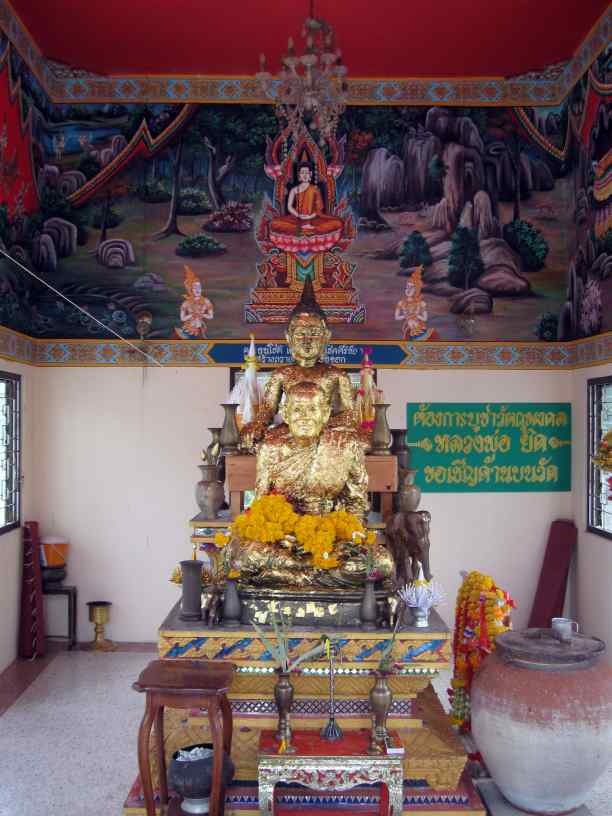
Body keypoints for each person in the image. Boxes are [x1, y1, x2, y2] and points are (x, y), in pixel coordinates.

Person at [234, 381, 394, 588]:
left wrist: (343, 540)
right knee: (240, 555)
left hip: (330, 536)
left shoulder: (345, 447)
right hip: (284, 541)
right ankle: (316, 573)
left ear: (326, 413)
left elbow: (356, 503)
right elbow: (260, 504)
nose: (305, 417)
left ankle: (289, 577)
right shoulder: (270, 449)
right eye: (297, 410)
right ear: (285, 413)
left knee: (382, 562)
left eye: (312, 409)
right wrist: (283, 536)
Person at [239, 277, 355, 451]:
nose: (307, 340)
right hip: (292, 431)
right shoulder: (282, 374)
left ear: (326, 337)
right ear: (289, 337)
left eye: (314, 333)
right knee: (265, 442)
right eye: (301, 333)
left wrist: (317, 423)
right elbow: (268, 410)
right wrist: (258, 424)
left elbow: (350, 415)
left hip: (325, 432)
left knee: (355, 442)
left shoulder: (337, 375)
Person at [270, 163, 343, 237]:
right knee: (274, 223)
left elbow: (319, 209)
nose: (304, 175)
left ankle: (302, 230)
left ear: (310, 174)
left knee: (337, 223)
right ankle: (308, 230)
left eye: (306, 173)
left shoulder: (315, 189)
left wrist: (309, 217)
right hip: (296, 218)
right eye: (302, 173)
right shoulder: (294, 190)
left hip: (313, 218)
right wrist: (298, 215)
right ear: (299, 175)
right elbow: (289, 206)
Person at [176, 265, 214, 339]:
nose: (197, 290)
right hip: (187, 329)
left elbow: (211, 316)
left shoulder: (206, 301)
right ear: (191, 289)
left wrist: (201, 314)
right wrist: (192, 315)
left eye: (199, 288)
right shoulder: (186, 303)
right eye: (195, 288)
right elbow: (182, 318)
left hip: (199, 329)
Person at [395, 266, 428, 339]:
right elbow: (397, 317)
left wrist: (416, 315)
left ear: (416, 290)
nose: (408, 290)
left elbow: (425, 319)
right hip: (408, 329)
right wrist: (406, 316)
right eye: (407, 287)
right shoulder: (401, 303)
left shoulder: (421, 303)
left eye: (411, 288)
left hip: (420, 329)